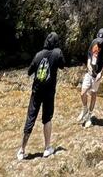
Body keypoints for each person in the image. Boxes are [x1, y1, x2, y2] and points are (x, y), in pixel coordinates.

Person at [17, 32, 66, 161]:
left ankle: (22, 150)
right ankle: (47, 148)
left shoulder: (38, 55)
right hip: (49, 93)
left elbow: (29, 72)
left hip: (36, 91)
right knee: (47, 118)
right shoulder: (57, 52)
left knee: (30, 118)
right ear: (56, 42)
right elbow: (62, 65)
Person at [79, 27, 103, 127]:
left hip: (97, 74)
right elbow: (89, 54)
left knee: (93, 93)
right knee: (83, 93)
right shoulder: (94, 42)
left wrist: (101, 73)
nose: (99, 42)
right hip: (90, 71)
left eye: (102, 40)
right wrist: (88, 64)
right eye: (99, 40)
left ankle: (89, 116)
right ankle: (84, 109)